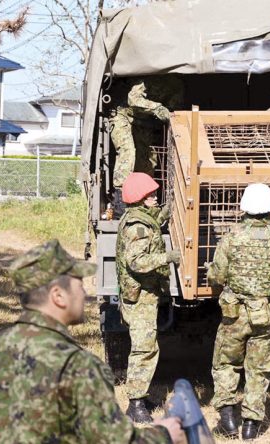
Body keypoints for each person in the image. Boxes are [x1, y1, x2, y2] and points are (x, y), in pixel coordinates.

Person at [0, 239, 184, 443]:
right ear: (58, 296)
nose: (84, 293)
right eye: (78, 285)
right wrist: (165, 434)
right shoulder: (80, 366)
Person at [207, 183, 270, 440]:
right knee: (258, 369)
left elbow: (217, 276)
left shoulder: (232, 236)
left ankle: (227, 419)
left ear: (245, 208)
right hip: (267, 314)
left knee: (226, 363)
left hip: (234, 314)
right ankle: (251, 426)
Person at [116, 172, 180, 423]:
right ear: (140, 198)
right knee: (144, 349)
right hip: (140, 296)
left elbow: (156, 219)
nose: (155, 197)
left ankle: (140, 396)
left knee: (148, 346)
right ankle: (135, 405)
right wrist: (167, 257)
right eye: (151, 194)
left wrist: (171, 207)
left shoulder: (139, 217)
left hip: (143, 295)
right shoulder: (137, 226)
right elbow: (137, 262)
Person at [110, 76, 183, 205]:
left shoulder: (176, 84)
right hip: (123, 115)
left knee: (148, 161)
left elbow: (173, 107)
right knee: (128, 154)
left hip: (143, 122)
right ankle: (120, 202)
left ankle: (145, 199)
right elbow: (133, 99)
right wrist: (158, 108)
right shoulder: (148, 78)